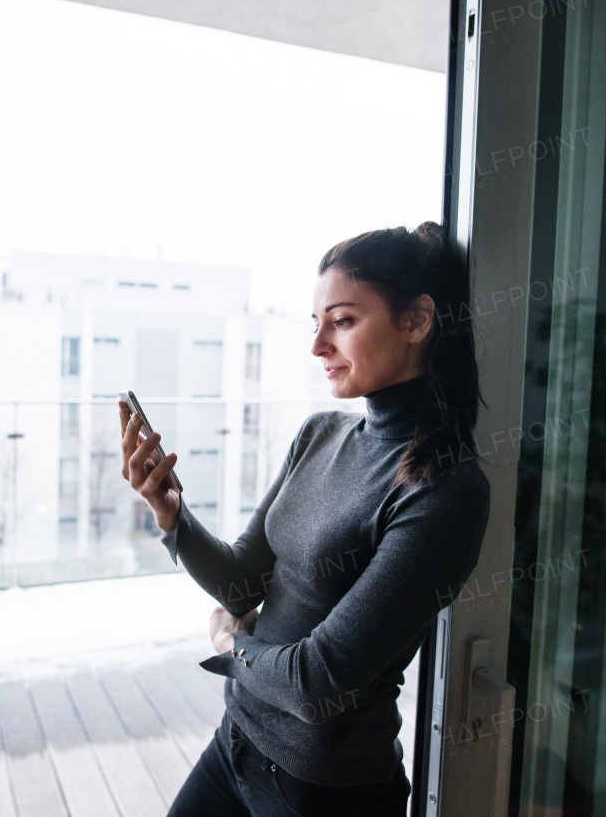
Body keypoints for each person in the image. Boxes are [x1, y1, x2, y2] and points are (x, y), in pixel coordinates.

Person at [119, 222, 491, 817]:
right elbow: (243, 582)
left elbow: (318, 683)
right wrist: (173, 515)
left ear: (417, 321)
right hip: (238, 741)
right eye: (315, 323)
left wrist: (231, 645)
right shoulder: (320, 434)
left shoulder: (444, 491)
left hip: (324, 791)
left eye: (342, 321)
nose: (318, 345)